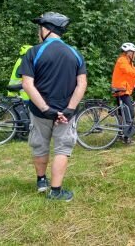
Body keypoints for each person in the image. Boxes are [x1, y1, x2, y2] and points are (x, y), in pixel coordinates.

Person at [20, 12, 87, 201]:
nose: (37, 32)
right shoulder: (75, 53)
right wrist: (69, 109)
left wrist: (45, 109)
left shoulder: (33, 52)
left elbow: (27, 84)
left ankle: (41, 181)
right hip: (66, 113)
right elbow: (82, 84)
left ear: (47, 29)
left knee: (39, 145)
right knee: (62, 149)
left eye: (39, 28)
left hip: (40, 112)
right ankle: (56, 191)